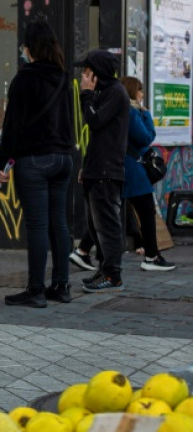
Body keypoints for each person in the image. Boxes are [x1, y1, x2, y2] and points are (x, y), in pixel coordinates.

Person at [0, 19, 76, 307]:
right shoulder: (65, 78)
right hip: (63, 158)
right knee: (59, 223)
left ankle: (36, 290)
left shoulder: (25, 79)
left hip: (35, 160)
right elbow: (70, 122)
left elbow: (13, 126)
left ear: (30, 49)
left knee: (38, 226)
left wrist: (3, 164)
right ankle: (62, 286)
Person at [76, 50, 130, 293]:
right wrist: (87, 168)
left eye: (87, 71)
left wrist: (86, 94)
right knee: (95, 224)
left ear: (96, 73)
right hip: (96, 169)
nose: (83, 76)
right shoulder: (105, 93)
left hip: (107, 171)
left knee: (107, 225)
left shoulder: (116, 93)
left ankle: (112, 274)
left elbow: (94, 121)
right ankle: (104, 269)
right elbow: (97, 136)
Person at [119, 76, 176, 272]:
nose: (142, 94)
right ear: (133, 91)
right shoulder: (132, 112)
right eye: (140, 90)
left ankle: (83, 250)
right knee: (146, 213)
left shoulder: (121, 110)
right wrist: (146, 115)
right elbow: (146, 137)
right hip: (135, 171)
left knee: (110, 211)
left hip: (126, 168)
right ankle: (151, 256)